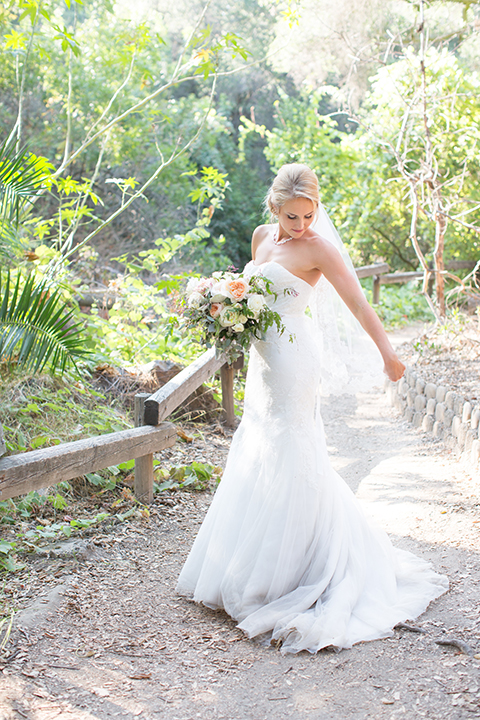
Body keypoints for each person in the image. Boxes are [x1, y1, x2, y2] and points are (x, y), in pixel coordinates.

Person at [176, 163, 448, 654]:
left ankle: (297, 568)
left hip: (294, 358)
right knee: (259, 443)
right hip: (262, 359)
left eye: (307, 215)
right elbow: (248, 294)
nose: (300, 226)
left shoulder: (319, 248)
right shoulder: (261, 237)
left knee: (292, 444)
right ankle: (251, 560)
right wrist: (221, 310)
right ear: (273, 209)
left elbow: (359, 304)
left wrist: (389, 354)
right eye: (291, 216)